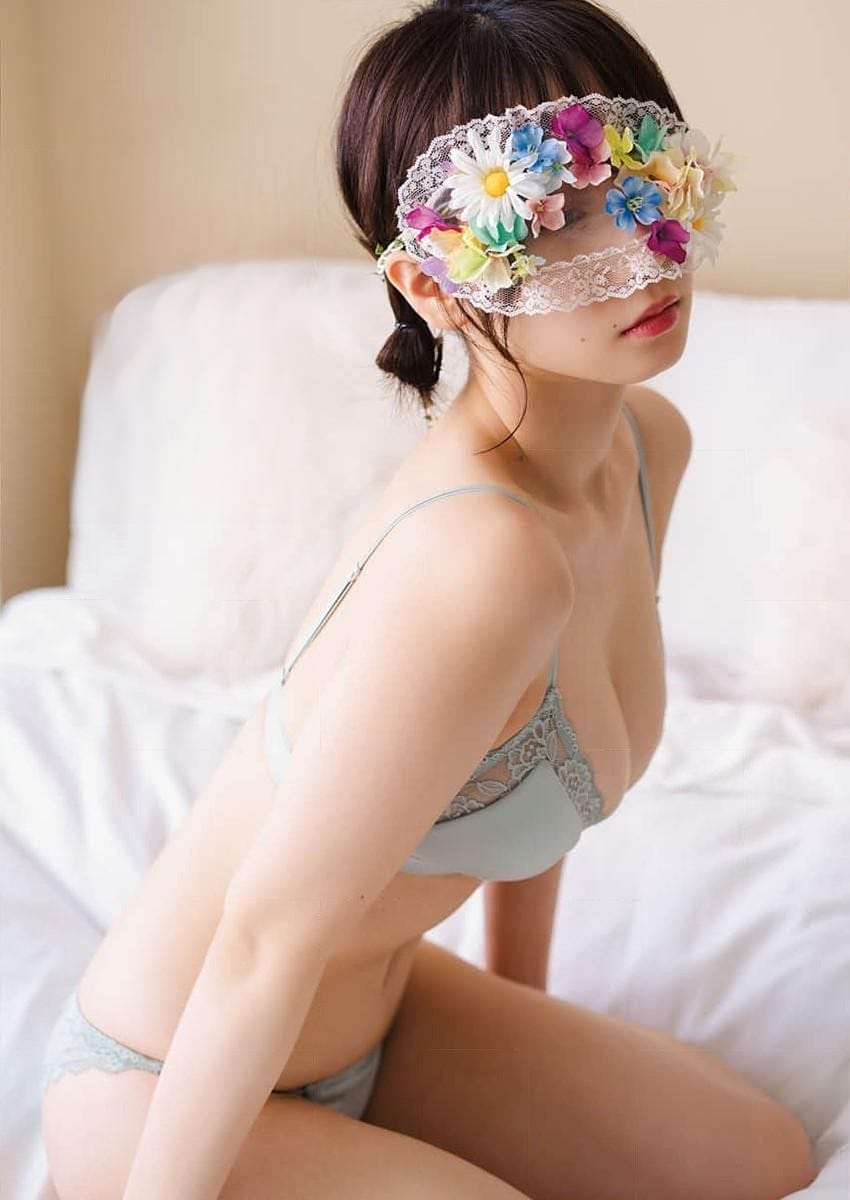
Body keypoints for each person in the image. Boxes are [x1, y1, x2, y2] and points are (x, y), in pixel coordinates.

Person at [41, 2, 815, 1199]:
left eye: (644, 174)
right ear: (432, 284)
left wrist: (522, 1029)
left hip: (390, 1012)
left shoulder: (644, 448)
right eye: (553, 210)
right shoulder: (481, 558)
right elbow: (261, 938)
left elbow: (540, 770)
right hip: (166, 1088)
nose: (642, 243)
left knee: (760, 1161)